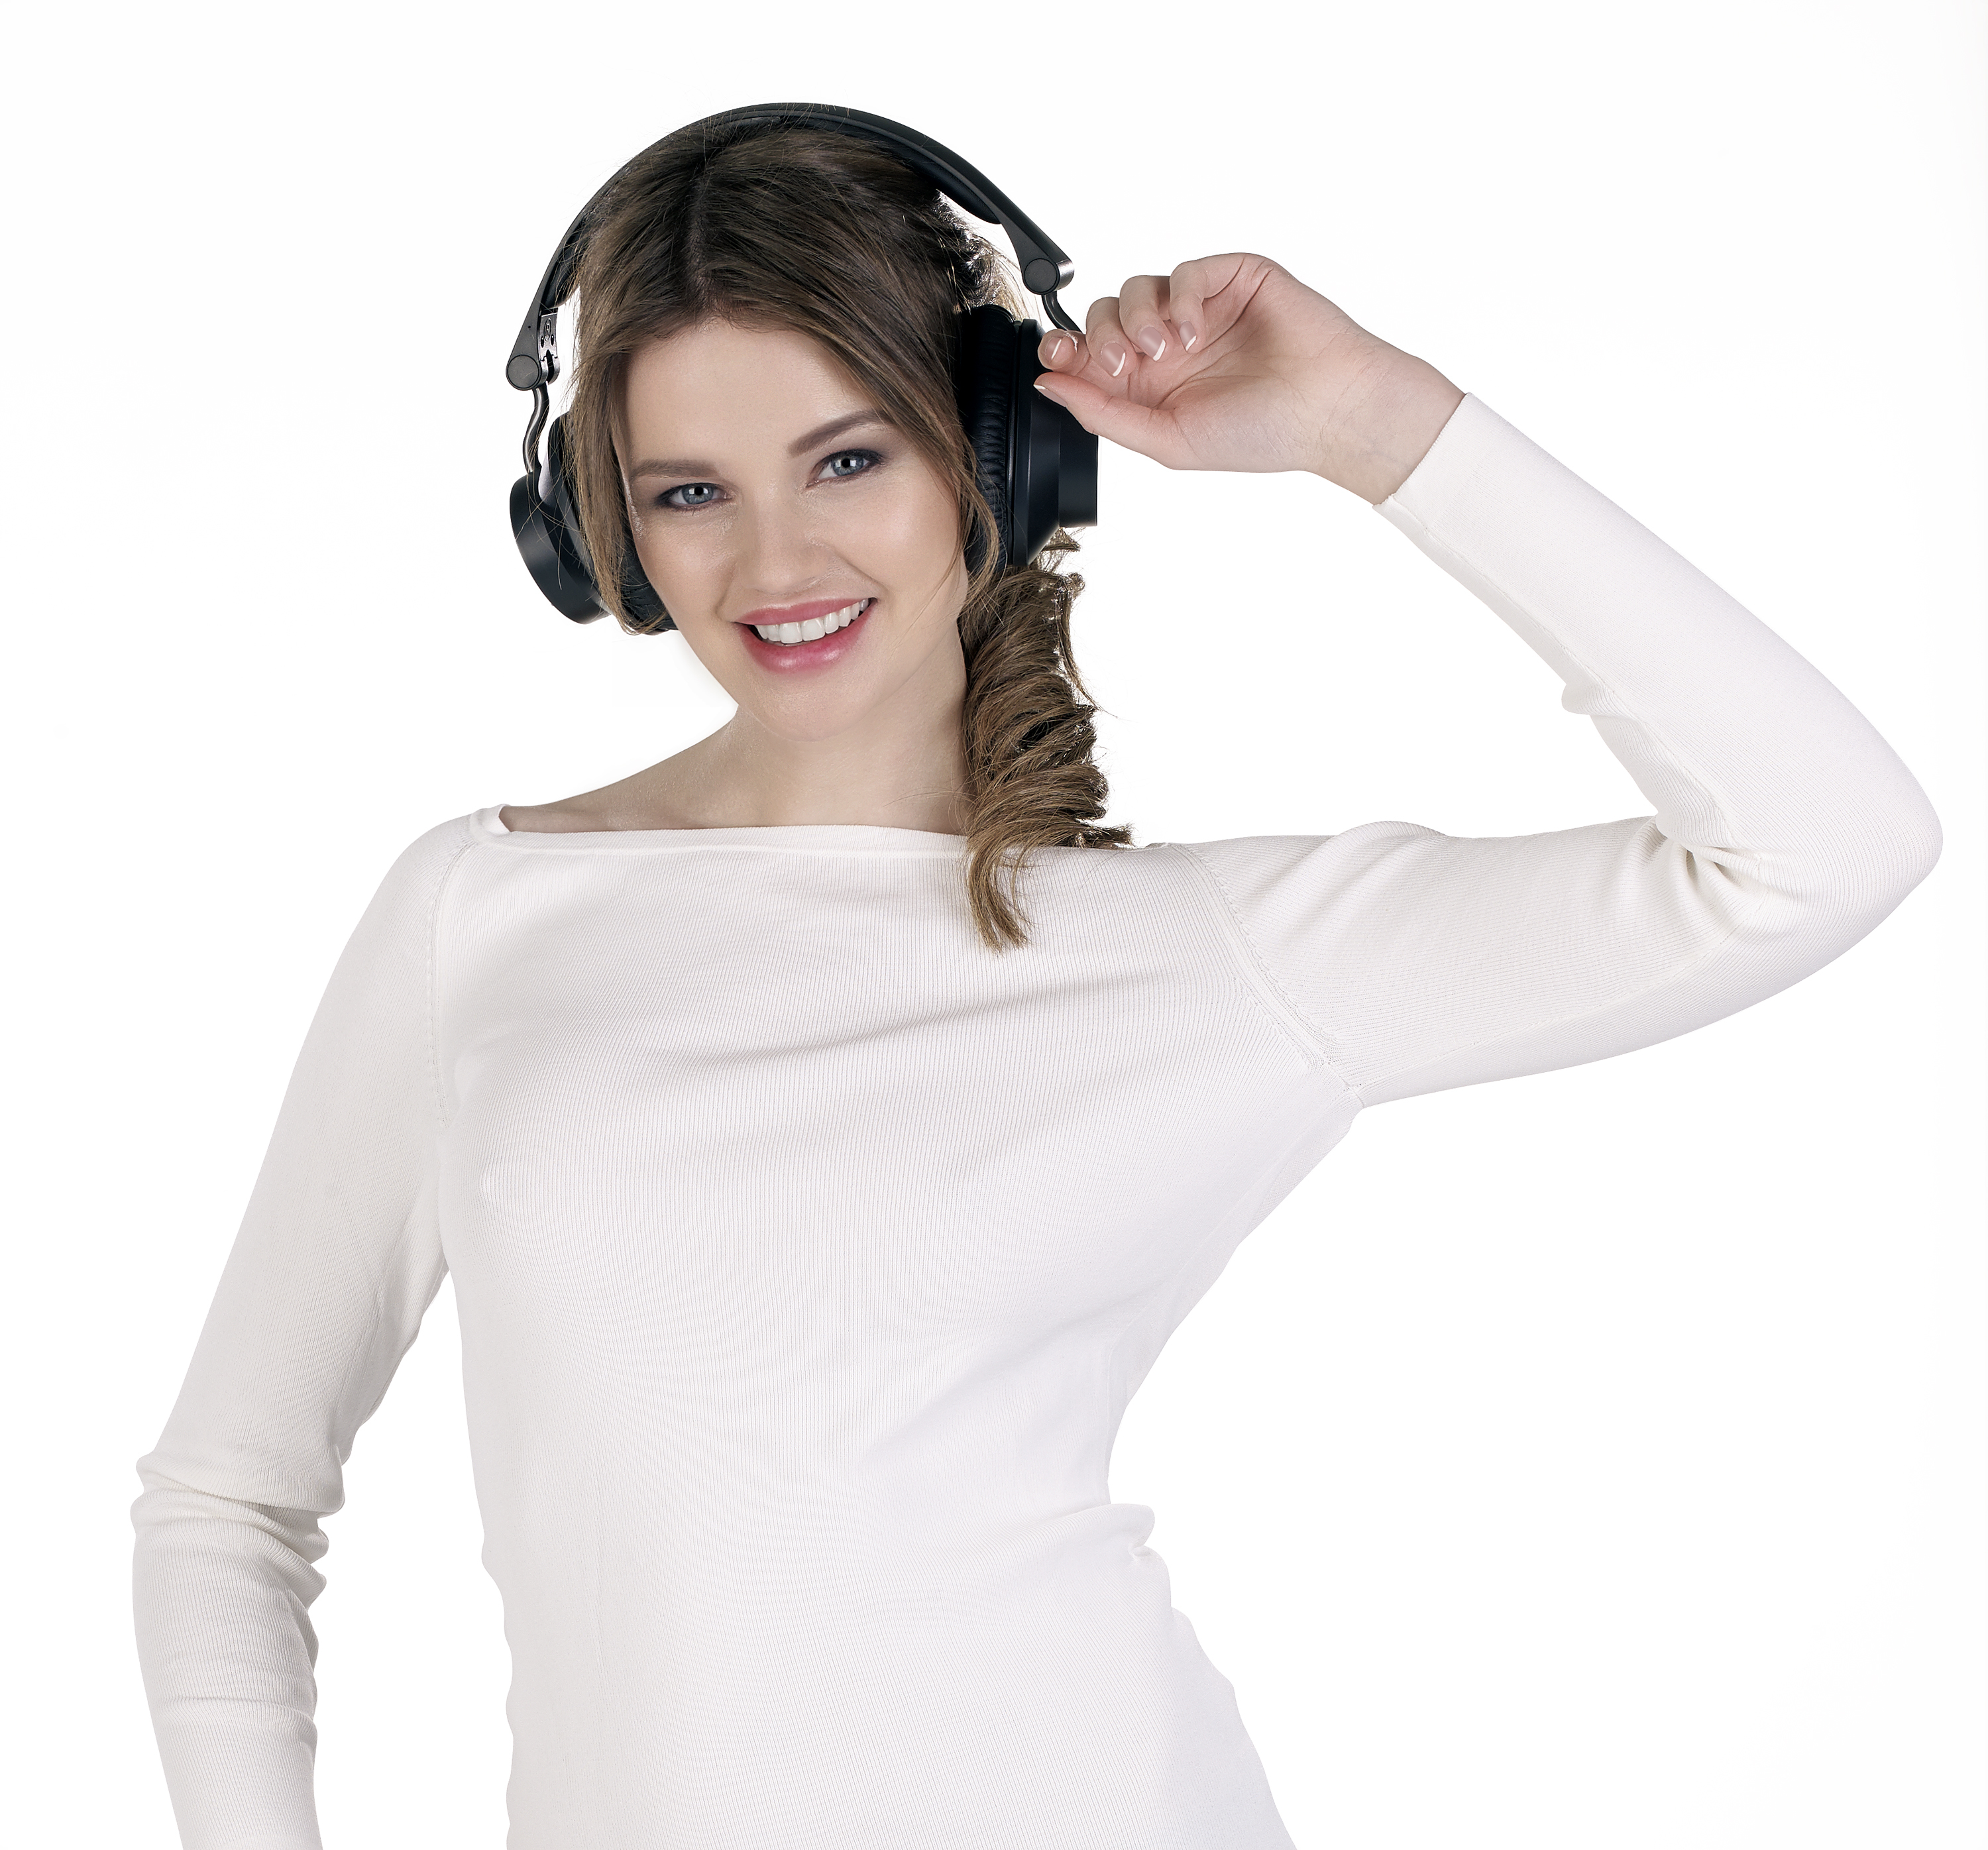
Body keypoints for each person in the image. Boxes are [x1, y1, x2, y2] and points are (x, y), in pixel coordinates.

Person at [130, 115, 1942, 1850]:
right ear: (603, 532)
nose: (775, 563)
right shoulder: (486, 911)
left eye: (850, 459)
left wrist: (1376, 426)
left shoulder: (1224, 955)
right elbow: (228, 1502)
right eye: (690, 493)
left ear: (995, 455)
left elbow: (1827, 846)